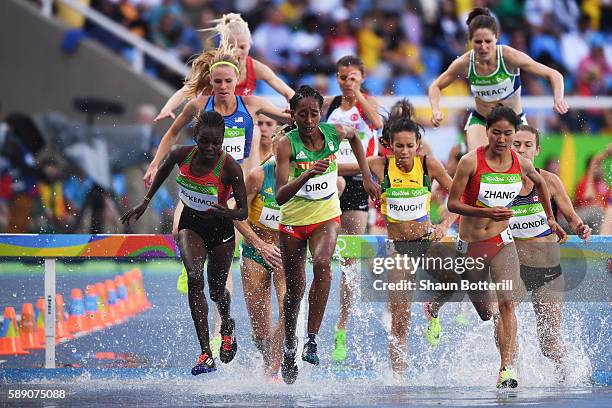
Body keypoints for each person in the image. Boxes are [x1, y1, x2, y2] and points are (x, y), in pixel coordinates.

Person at [431, 106, 565, 388]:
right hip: (471, 244)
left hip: (502, 242)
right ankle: (435, 304)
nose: (502, 139)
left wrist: (551, 219)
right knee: (485, 312)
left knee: (506, 304)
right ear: (487, 132)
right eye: (496, 133)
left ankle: (506, 369)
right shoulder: (470, 162)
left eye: (508, 133)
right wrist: (487, 212)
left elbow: (541, 183)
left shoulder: (522, 164)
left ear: (514, 133)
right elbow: (453, 204)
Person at [121, 110, 247, 375]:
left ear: (223, 139)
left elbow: (243, 212)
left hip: (221, 230)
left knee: (215, 290)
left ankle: (227, 326)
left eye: (216, 142)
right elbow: (163, 169)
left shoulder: (230, 167)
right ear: (195, 137)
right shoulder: (181, 155)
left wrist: (228, 212)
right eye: (204, 142)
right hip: (191, 225)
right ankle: (205, 353)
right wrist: (145, 201)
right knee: (193, 277)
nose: (210, 148)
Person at [274, 86, 380, 384]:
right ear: (293, 116)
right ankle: (289, 346)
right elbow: (280, 196)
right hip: (293, 222)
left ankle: (311, 339)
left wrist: (367, 176)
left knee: (323, 264)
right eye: (302, 114)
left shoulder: (334, 133)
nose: (308, 120)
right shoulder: (286, 144)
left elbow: (357, 138)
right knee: (295, 290)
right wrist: (307, 173)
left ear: (321, 114)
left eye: (314, 114)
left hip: (325, 216)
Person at [366, 99, 456, 376]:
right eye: (399, 146)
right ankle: (399, 381)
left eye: (409, 146)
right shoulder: (378, 165)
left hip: (428, 240)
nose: (404, 152)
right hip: (400, 250)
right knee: (399, 322)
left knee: (456, 281)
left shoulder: (429, 164)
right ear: (389, 145)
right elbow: (348, 163)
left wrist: (444, 225)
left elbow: (458, 195)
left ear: (418, 145)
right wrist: (368, 181)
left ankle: (434, 308)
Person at [510, 125, 591, 378]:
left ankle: (570, 377)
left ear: (537, 149)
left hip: (548, 272)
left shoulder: (550, 181)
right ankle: (510, 376)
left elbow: (573, 218)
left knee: (549, 344)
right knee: (501, 322)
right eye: (516, 144)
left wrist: (581, 228)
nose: (521, 149)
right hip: (515, 270)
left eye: (527, 145)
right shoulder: (500, 182)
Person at [428, 7, 568, 151]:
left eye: (488, 41)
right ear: (470, 40)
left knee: (520, 170)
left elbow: (554, 75)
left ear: (496, 37)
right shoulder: (464, 62)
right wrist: (435, 110)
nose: (483, 47)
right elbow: (435, 86)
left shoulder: (509, 57)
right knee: (476, 165)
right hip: (482, 121)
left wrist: (558, 99)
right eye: (478, 42)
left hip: (514, 122)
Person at [322, 55, 384, 364]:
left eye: (353, 78)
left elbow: (378, 123)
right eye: (343, 77)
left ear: (361, 79)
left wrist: (357, 94)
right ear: (336, 77)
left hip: (359, 179)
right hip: (331, 178)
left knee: (350, 261)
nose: (347, 82)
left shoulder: (366, 104)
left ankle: (342, 326)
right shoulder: (330, 105)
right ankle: (320, 238)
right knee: (336, 186)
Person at [155, 13, 294, 122]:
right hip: (212, 126)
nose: (237, 51)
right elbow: (185, 90)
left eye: (242, 47)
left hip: (240, 125)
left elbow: (288, 92)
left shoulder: (256, 68)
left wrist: (291, 104)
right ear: (223, 46)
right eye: (231, 46)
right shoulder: (212, 65)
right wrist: (167, 109)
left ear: (250, 46)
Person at [234, 116, 285, 379]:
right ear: (275, 148)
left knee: (289, 309)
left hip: (287, 252)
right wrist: (259, 243)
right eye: (281, 149)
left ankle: (272, 370)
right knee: (261, 330)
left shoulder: (306, 181)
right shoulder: (257, 176)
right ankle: (268, 360)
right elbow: (235, 214)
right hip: (255, 251)